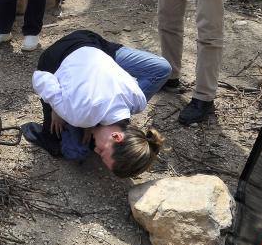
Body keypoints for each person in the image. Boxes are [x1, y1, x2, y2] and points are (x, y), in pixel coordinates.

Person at [21, 30, 171, 178]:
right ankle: (46, 136)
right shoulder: (79, 115)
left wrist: (88, 122)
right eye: (102, 151)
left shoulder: (138, 101)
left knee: (79, 147)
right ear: (116, 136)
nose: (96, 151)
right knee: (68, 149)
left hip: (94, 47)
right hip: (60, 54)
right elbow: (40, 77)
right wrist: (56, 106)